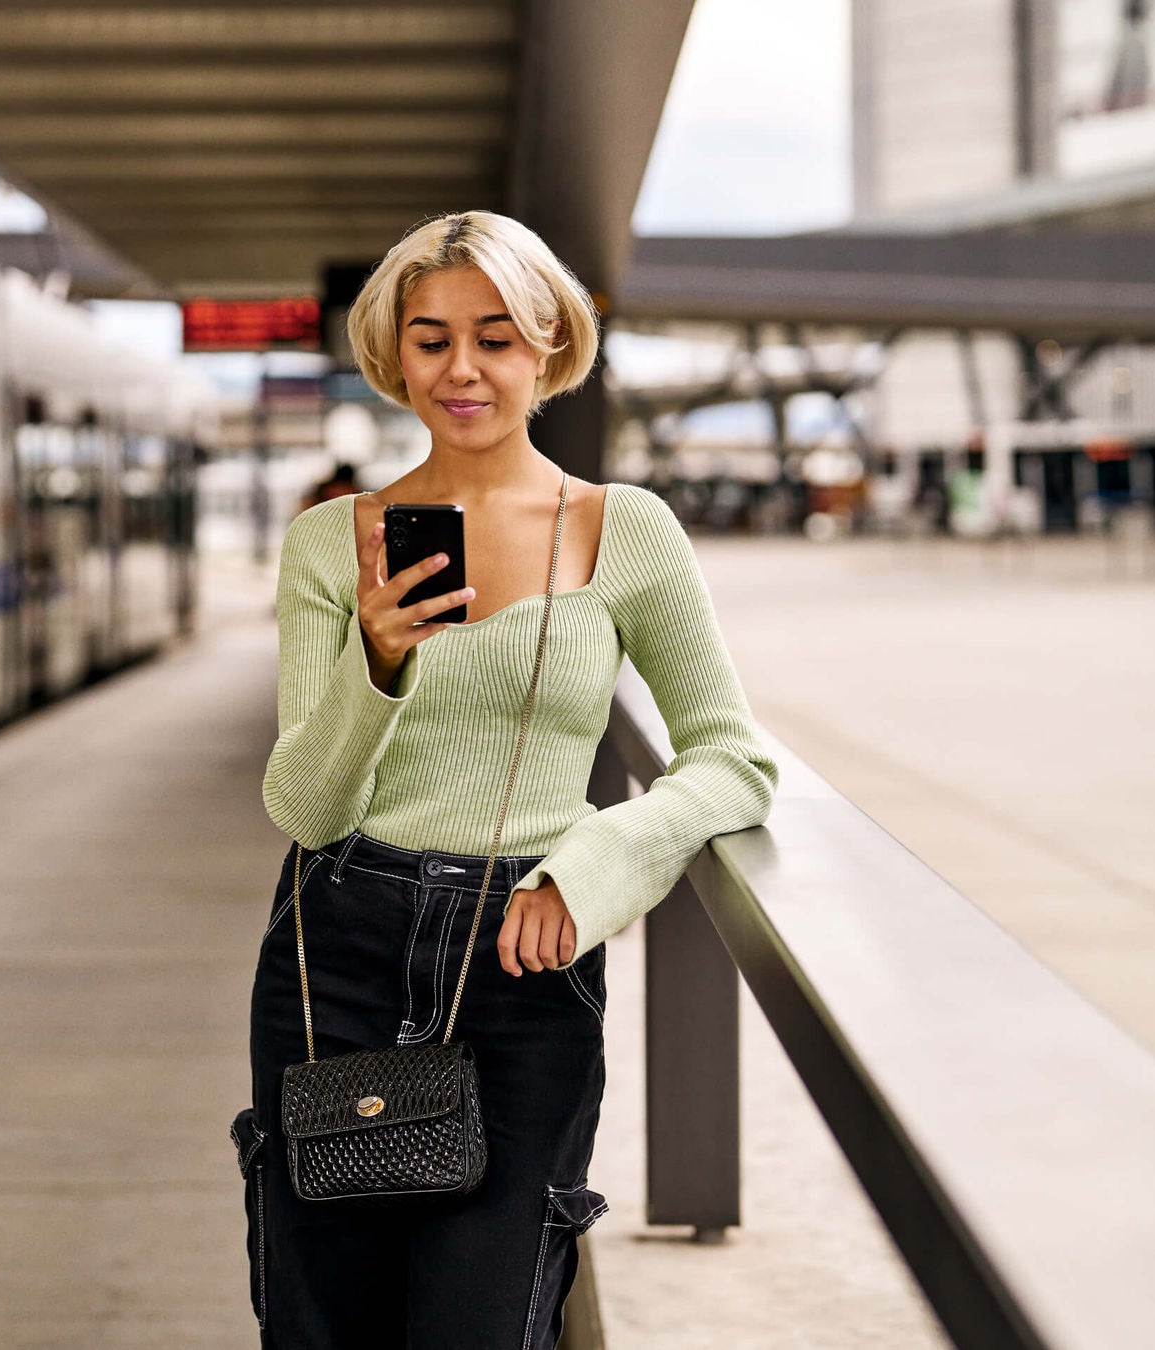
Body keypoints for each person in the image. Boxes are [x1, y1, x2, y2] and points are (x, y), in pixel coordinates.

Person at [233, 211, 779, 1347]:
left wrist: (588, 868)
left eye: (494, 336)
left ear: (545, 347)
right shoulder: (333, 546)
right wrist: (377, 663)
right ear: (392, 357)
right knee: (320, 1323)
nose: (462, 370)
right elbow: (304, 806)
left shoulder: (624, 531)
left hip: (523, 959)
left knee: (485, 1318)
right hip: (335, 950)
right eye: (429, 340)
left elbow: (731, 756)